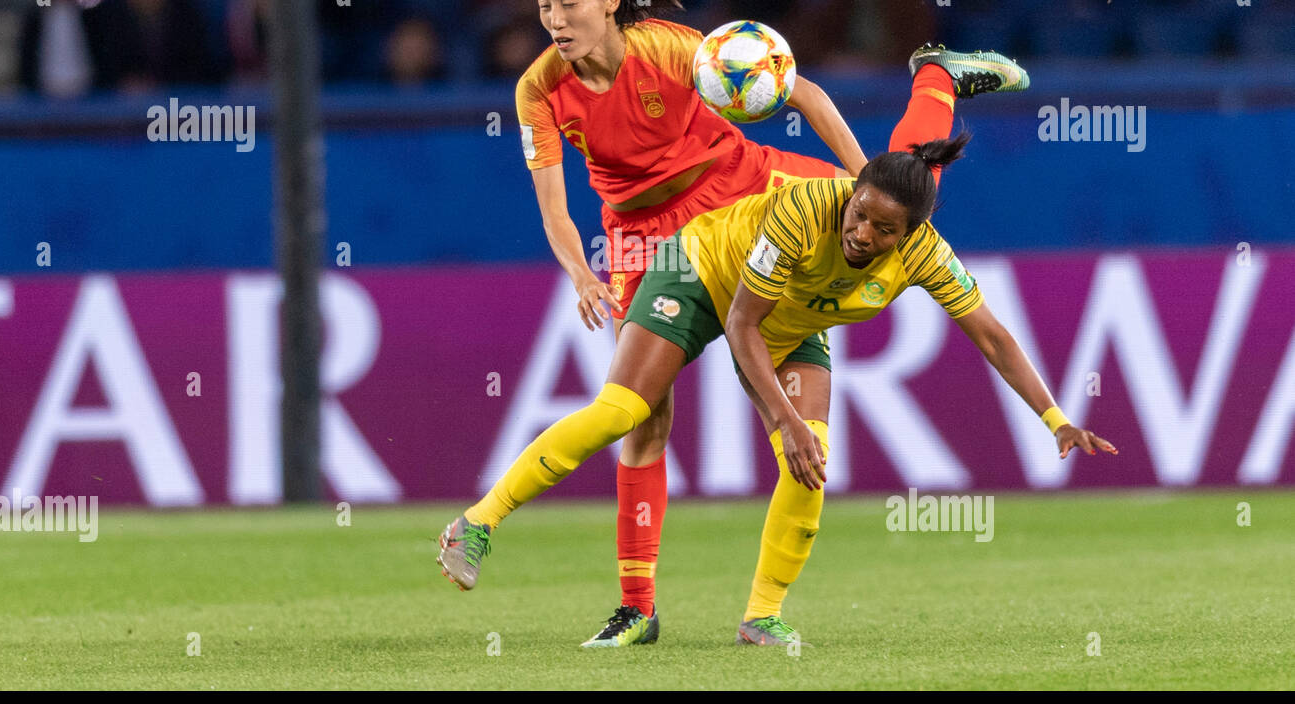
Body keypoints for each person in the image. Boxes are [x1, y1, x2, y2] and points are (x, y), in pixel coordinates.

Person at [451, 0, 1028, 649]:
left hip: (744, 185)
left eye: (568, 3)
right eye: (545, 4)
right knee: (642, 420)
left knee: (899, 199)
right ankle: (636, 608)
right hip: (642, 233)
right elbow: (553, 202)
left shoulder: (672, 49)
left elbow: (810, 96)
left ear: (610, 2)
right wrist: (580, 270)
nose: (553, 19)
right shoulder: (537, 92)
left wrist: (862, 183)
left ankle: (935, 76)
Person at [439, 139, 1117, 646]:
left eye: (883, 229)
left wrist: (1055, 419)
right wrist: (785, 419)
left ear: (910, 233)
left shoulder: (927, 256)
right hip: (700, 270)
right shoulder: (802, 211)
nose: (862, 234)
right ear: (850, 197)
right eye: (859, 215)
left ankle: (762, 614)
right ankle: (477, 524)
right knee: (626, 410)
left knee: (813, 456)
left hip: (794, 320)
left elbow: (993, 337)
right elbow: (741, 324)